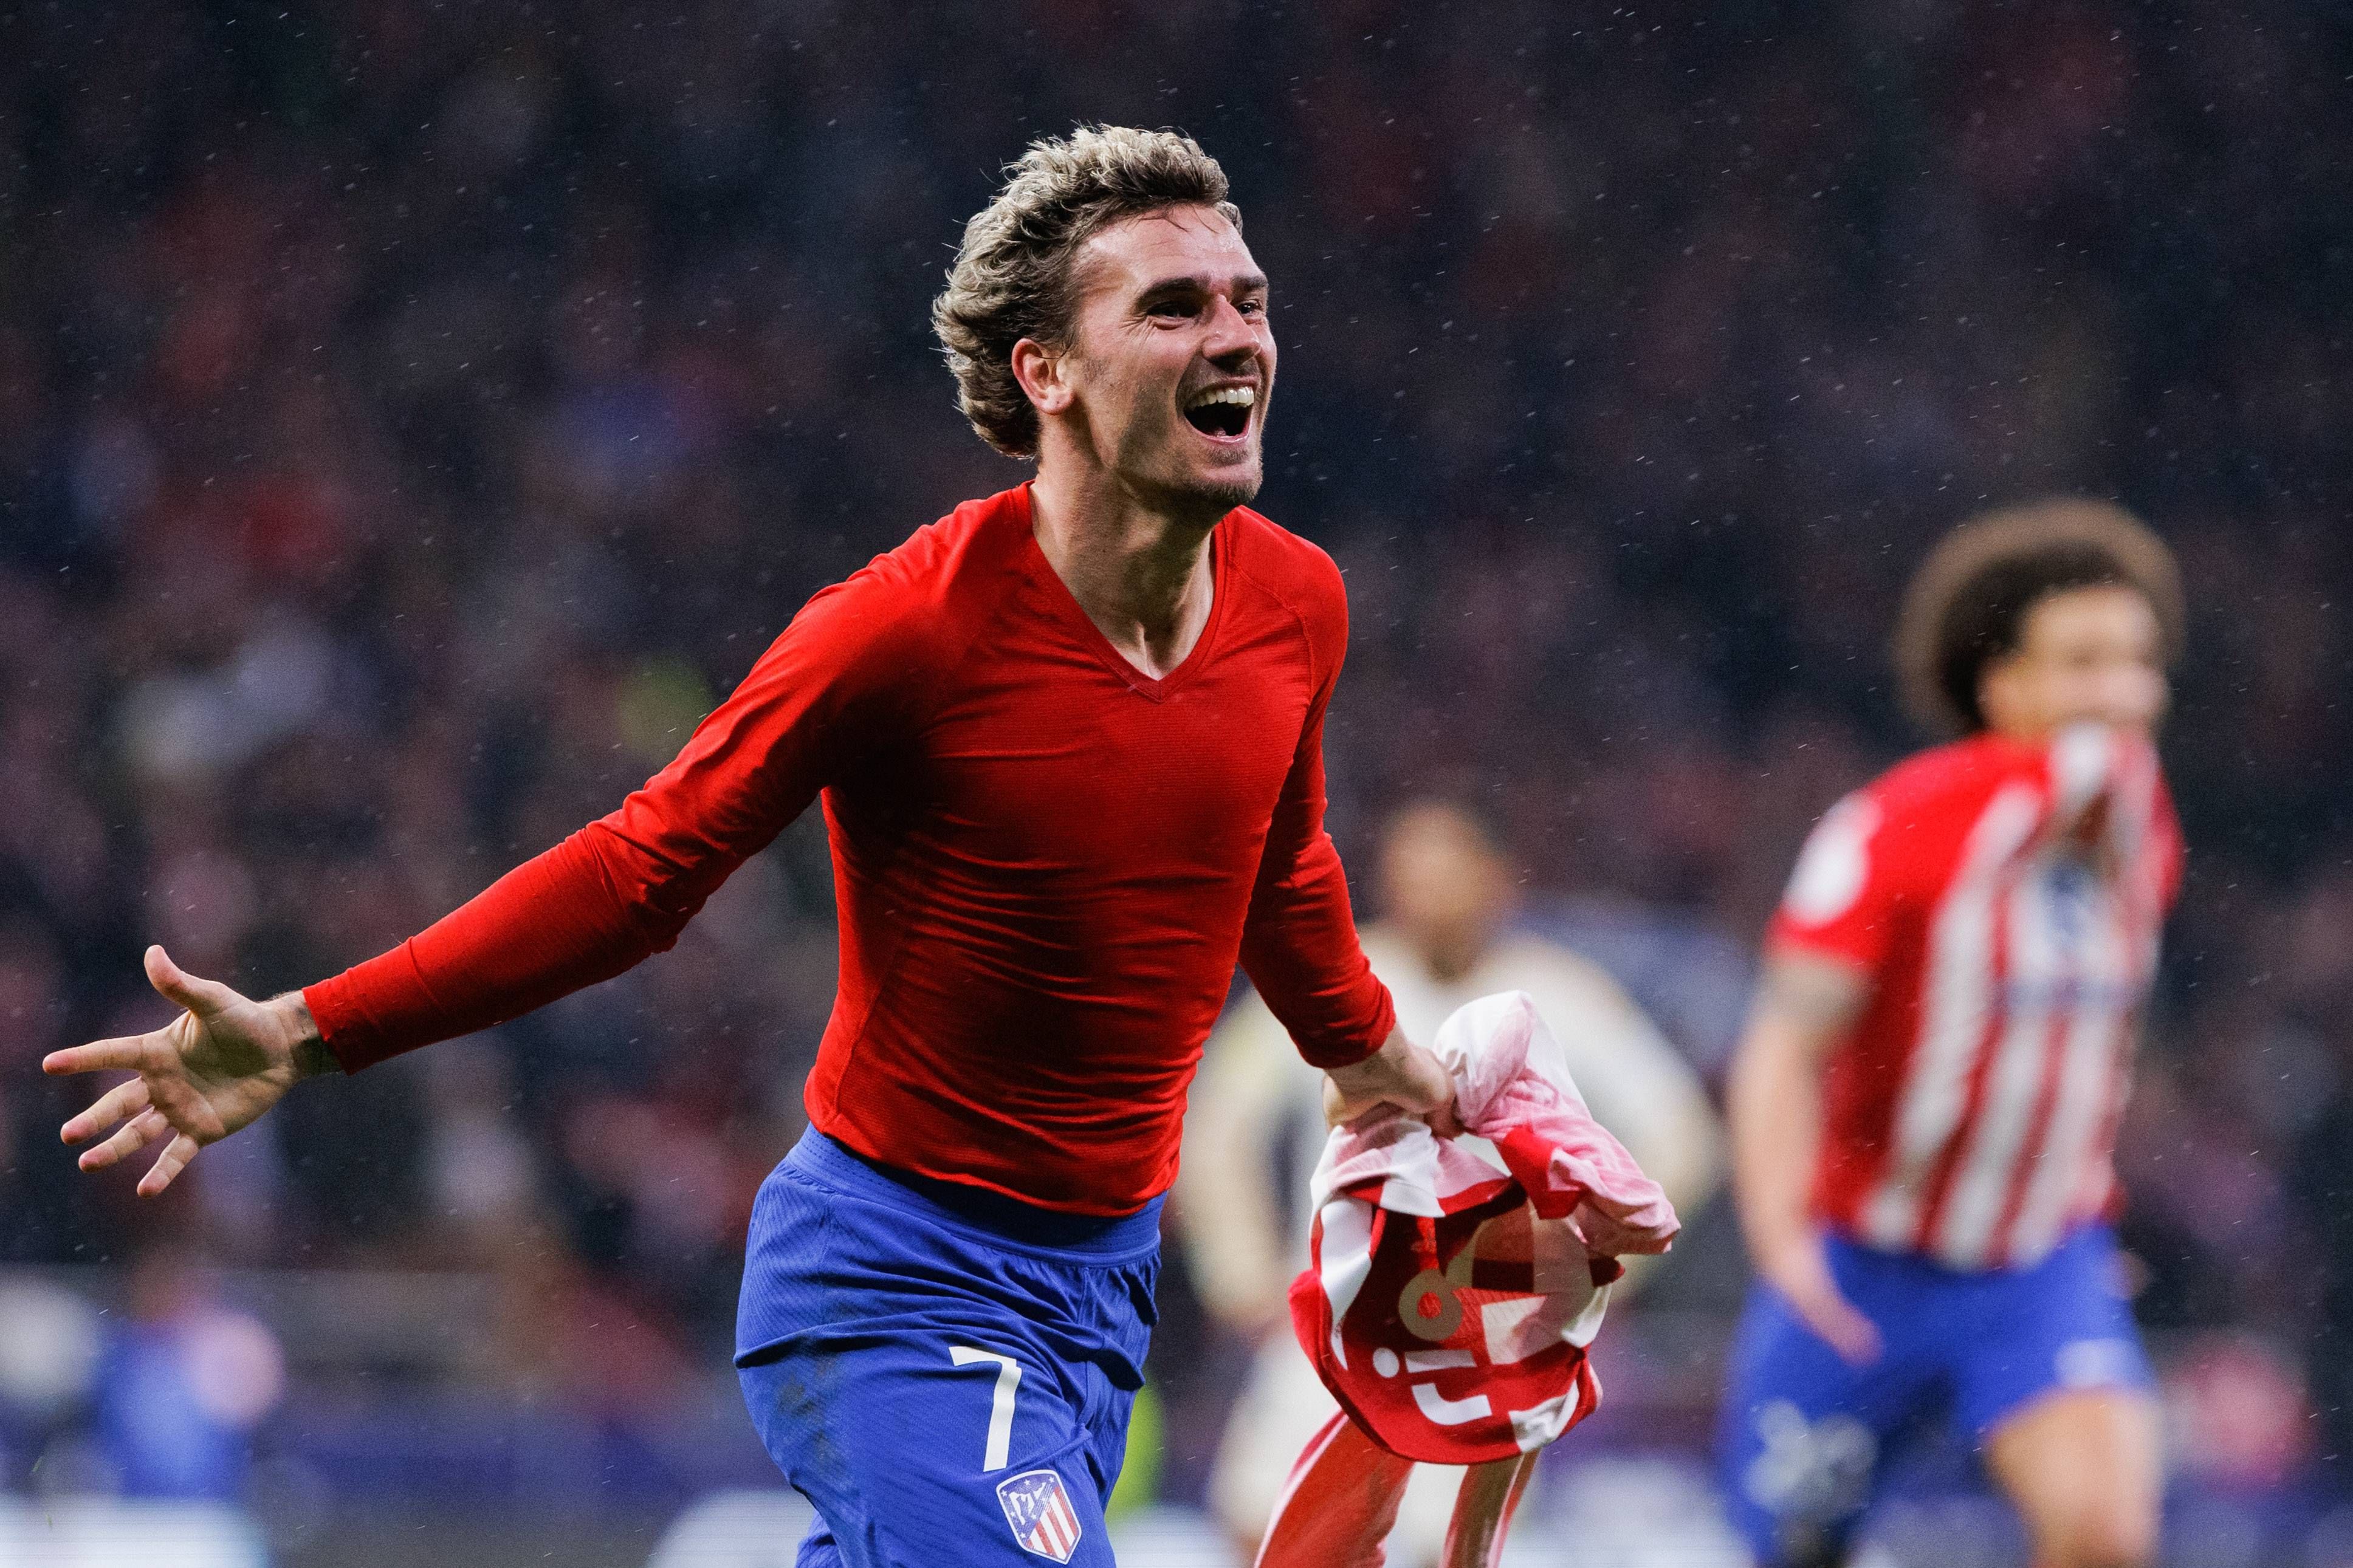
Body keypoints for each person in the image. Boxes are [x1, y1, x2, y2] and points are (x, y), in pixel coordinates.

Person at [42, 126, 1457, 1568]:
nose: (1236, 335)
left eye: (1248, 299)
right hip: (898, 1279)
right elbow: (640, 868)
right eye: (1173, 306)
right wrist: (311, 1025)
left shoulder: (1298, 603)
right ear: (1047, 373)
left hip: (1100, 1297)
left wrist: (1377, 1061)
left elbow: (1278, 859)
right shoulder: (905, 628)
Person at [1717, 501, 2186, 1568]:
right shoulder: (1893, 826)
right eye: (2081, 661)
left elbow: (2089, 1038)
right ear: (1998, 681)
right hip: (1860, 1267)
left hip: (2036, 1265)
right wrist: (1782, 1242)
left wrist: (2076, 1183)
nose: (2119, 692)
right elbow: (1783, 1046)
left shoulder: (2141, 817)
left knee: (2104, 1532)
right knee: (1786, 1551)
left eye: (2136, 660)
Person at [1178, 798, 1722, 1566]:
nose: (1425, 893)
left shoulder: (1554, 997)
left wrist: (1589, 1270)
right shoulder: (1336, 982)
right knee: (1265, 1524)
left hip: (1479, 1327)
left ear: (1495, 880)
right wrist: (1237, 1271)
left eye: (1446, 871)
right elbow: (1219, 1126)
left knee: (1448, 1547)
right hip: (1341, 1304)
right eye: (1410, 872)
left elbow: (1681, 1136)